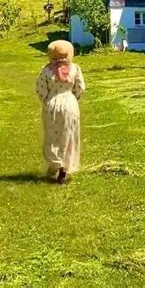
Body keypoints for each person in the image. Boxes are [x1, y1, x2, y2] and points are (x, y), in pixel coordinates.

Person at [36, 40, 85, 184]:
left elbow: (40, 89)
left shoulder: (46, 70)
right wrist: (73, 98)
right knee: (69, 135)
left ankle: (54, 164)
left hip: (52, 103)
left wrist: (48, 100)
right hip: (70, 104)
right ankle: (64, 169)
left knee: (52, 135)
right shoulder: (75, 68)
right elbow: (80, 87)